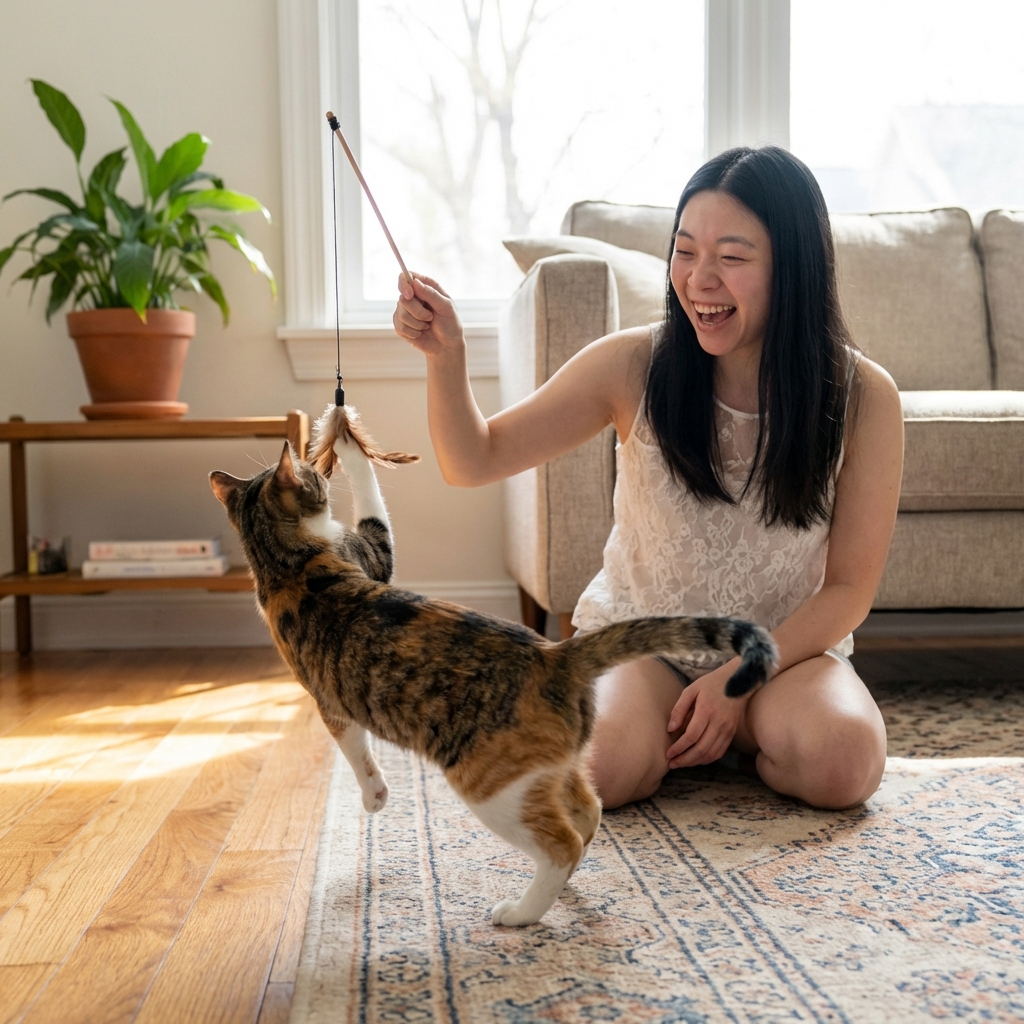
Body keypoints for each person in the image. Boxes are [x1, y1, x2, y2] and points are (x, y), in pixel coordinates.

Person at [391, 146, 903, 811]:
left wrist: (738, 680)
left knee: (846, 765)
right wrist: (445, 357)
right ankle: (691, 731)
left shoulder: (864, 395)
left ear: (793, 268)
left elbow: (849, 589)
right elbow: (474, 460)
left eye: (734, 257)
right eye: (686, 251)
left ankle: (737, 729)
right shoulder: (633, 364)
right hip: (644, 648)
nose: (700, 280)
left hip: (784, 663)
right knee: (591, 773)